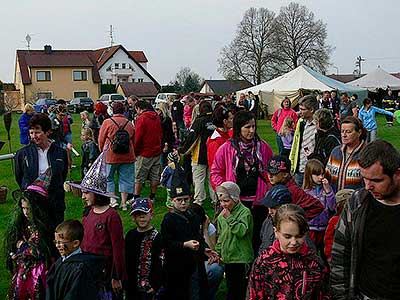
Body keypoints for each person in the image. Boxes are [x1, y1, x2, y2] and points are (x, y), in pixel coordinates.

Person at [331, 140, 400, 299]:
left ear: (397, 174)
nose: (368, 186)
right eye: (364, 178)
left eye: (376, 180)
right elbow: (340, 256)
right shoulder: (357, 203)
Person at [211, 110, 274, 252]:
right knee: (236, 238)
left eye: (253, 126)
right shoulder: (226, 149)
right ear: (239, 128)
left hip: (259, 202)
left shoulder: (263, 147)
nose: (251, 130)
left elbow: (272, 171)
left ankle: (255, 269)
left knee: (257, 237)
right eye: (247, 127)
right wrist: (224, 191)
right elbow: (215, 172)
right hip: (235, 202)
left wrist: (269, 188)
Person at [69, 151, 127, 298]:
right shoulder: (87, 212)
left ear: (98, 193)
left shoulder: (111, 216)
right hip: (88, 269)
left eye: (86, 193)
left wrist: (116, 276)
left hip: (105, 273)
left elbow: (118, 248)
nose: (83, 196)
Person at [247, 204, 329, 299]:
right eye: (287, 237)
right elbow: (253, 295)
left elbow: (324, 295)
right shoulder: (264, 262)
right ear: (276, 232)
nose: (294, 242)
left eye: (299, 236)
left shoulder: (315, 263)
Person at [160, 180, 217, 300]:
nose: (183, 203)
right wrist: (185, 244)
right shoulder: (168, 220)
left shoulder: (194, 217)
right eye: (179, 200)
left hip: (195, 264)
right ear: (172, 201)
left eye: (186, 199)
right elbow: (166, 244)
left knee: (197, 292)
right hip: (177, 267)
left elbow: (198, 237)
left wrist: (204, 248)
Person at [5, 177, 56, 300]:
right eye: (23, 208)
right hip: (23, 268)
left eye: (29, 208)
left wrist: (22, 246)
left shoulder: (44, 227)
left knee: (36, 291)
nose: (26, 212)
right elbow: (15, 244)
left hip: (39, 269)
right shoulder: (21, 224)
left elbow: (40, 251)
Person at [15, 113, 68, 229]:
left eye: (38, 132)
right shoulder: (22, 154)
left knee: (55, 238)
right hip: (32, 205)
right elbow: (19, 177)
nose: (34, 136)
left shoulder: (61, 153)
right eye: (31, 132)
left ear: (48, 132)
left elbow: (61, 175)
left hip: (54, 204)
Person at [46, 220, 106, 300]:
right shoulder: (60, 262)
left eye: (61, 243)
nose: (57, 246)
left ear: (75, 243)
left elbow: (75, 295)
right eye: (56, 242)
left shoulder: (81, 269)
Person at [214, 181, 253, 300]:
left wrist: (230, 218)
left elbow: (241, 232)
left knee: (239, 289)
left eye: (226, 201)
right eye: (221, 201)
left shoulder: (244, 212)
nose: (223, 204)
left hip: (241, 258)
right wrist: (218, 251)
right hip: (229, 257)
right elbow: (221, 235)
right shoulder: (222, 215)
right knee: (230, 287)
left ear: (235, 198)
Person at [98, 101, 136, 210]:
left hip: (110, 155)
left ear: (112, 110)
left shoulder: (107, 122)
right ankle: (124, 203)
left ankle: (112, 200)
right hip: (127, 155)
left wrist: (102, 151)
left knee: (108, 178)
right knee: (126, 179)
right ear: (123, 110)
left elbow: (101, 139)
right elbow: (134, 139)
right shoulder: (129, 123)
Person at [125, 198, 163, 300]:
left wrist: (156, 284)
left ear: (151, 215)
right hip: (131, 286)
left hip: (149, 286)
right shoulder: (130, 235)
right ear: (133, 217)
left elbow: (161, 262)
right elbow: (126, 259)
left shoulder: (157, 237)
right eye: (138, 214)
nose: (141, 217)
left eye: (144, 214)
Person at [265, 155, 324, 220]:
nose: (270, 176)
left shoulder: (295, 191)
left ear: (285, 174)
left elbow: (318, 206)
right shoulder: (269, 186)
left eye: (274, 173)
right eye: (268, 172)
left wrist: (295, 219)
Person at [180, 101, 216, 206]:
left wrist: (183, 150)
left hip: (200, 155)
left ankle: (199, 200)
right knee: (212, 179)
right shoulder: (215, 120)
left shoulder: (198, 121)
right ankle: (215, 200)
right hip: (214, 155)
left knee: (198, 178)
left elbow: (192, 138)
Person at [302, 159, 336, 258]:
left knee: (325, 254)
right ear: (309, 174)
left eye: (322, 174)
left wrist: (328, 191)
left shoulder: (326, 189)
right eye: (317, 175)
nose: (320, 177)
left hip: (324, 228)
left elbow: (332, 207)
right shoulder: (305, 192)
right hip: (310, 228)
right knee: (311, 254)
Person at [190, 203, 224, 300]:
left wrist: (205, 231)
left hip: (204, 262)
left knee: (216, 269)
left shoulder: (209, 228)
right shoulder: (182, 226)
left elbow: (212, 250)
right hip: (188, 263)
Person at [325, 116, 367, 192]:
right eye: (342, 131)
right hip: (334, 200)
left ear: (359, 132)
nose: (344, 135)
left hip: (357, 202)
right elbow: (327, 176)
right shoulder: (335, 152)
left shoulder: (366, 154)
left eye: (348, 132)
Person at [134, 100, 163, 202]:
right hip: (157, 150)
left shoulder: (141, 119)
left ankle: (136, 197)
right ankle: (152, 195)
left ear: (139, 108)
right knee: (155, 176)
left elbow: (138, 136)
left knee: (139, 176)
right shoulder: (157, 117)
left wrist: (135, 151)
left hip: (144, 152)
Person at [289, 95, 318, 187]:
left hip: (314, 170)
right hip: (300, 167)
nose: (299, 112)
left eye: (302, 109)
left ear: (312, 110)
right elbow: (296, 144)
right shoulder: (301, 123)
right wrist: (292, 161)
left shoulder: (319, 125)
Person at [258, 184, 292, 253]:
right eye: (268, 207)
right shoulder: (268, 221)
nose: (270, 211)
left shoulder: (295, 226)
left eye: (274, 208)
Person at [323, 189, 354, 264]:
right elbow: (328, 239)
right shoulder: (334, 221)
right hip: (336, 255)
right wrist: (329, 255)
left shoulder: (356, 220)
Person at [206, 105, 234, 171]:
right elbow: (215, 167)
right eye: (231, 118)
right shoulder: (215, 142)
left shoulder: (227, 135)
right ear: (225, 121)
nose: (233, 121)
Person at [156, 102, 174, 170]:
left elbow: (167, 132)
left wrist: (166, 144)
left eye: (158, 109)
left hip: (165, 142)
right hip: (164, 142)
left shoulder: (165, 120)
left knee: (163, 161)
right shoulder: (164, 119)